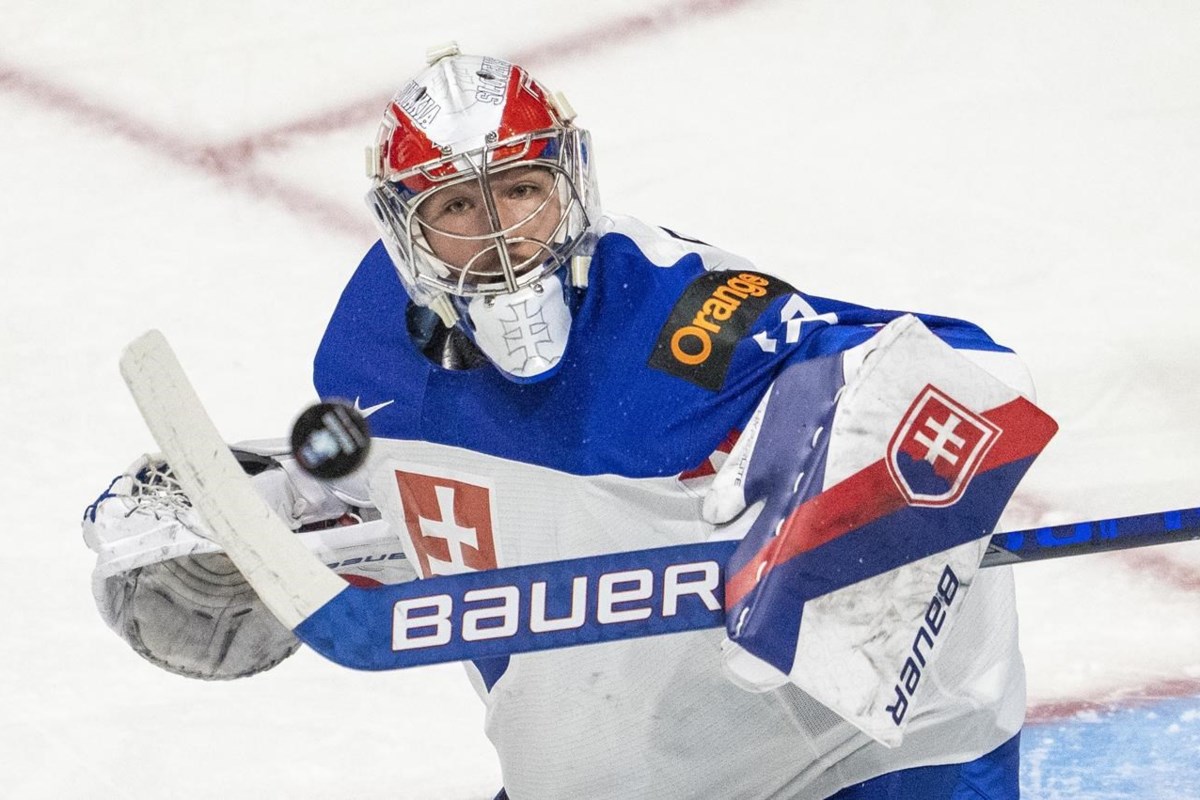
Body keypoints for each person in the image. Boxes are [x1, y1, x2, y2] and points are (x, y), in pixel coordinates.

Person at [84, 44, 1038, 798]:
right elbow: (379, 456)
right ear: (403, 229)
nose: (500, 233)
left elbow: (976, 369)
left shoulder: (683, 318)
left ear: (570, 182)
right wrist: (258, 493)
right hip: (635, 761)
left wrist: (816, 494)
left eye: (522, 190)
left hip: (872, 754)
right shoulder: (365, 346)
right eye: (459, 205)